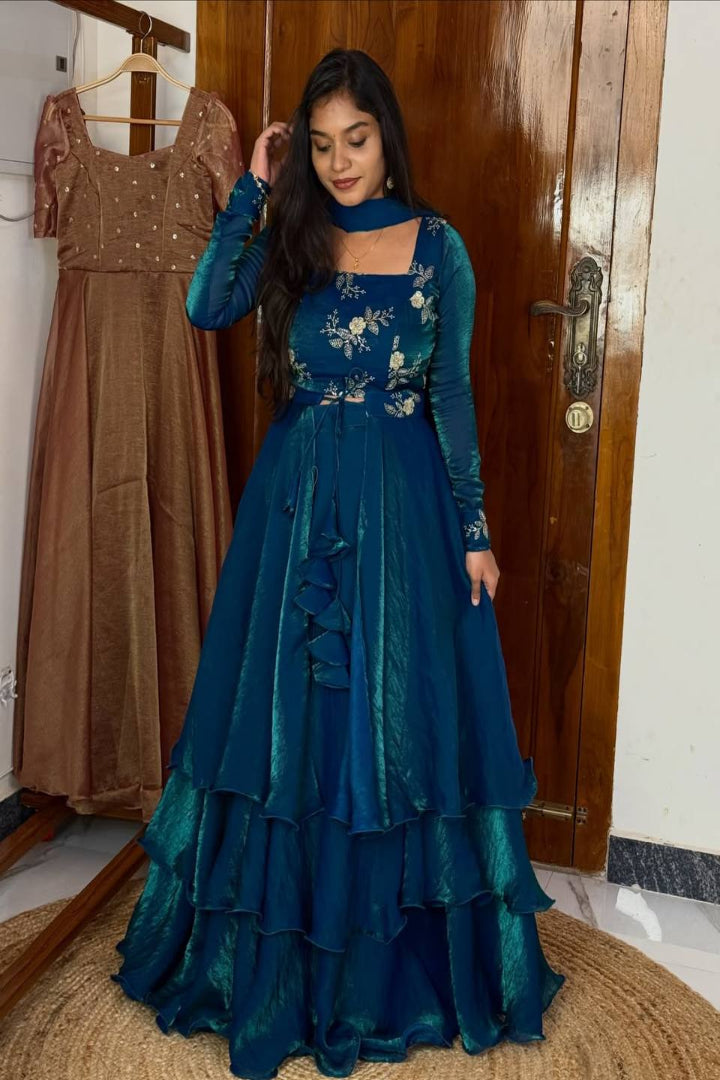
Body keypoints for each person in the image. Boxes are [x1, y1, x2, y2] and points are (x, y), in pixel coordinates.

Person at [112, 47, 565, 1080]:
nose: (341, 161)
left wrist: (476, 531)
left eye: (354, 140)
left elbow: (450, 395)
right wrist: (257, 187)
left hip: (403, 511)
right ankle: (278, 958)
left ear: (386, 137)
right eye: (321, 145)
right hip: (297, 509)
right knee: (292, 730)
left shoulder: (439, 245)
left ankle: (389, 968)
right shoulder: (293, 231)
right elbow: (204, 305)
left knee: (392, 725)